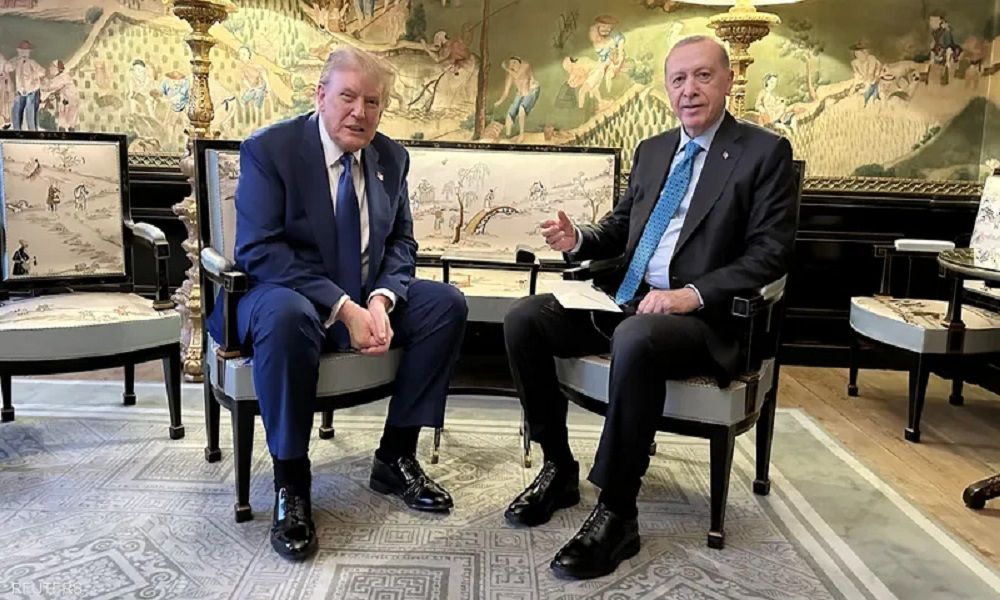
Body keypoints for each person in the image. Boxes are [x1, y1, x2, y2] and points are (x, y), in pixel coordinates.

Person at [502, 35, 796, 580]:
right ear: (666, 88)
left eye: (703, 76)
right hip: (629, 300)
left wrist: (691, 294)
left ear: (728, 81)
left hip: (705, 321)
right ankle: (558, 468)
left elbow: (770, 253)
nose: (689, 90)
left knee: (636, 336)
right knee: (525, 319)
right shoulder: (654, 149)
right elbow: (622, 228)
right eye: (678, 79)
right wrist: (578, 239)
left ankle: (618, 511)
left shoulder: (763, 153)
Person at [205, 46, 468, 563]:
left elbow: (401, 243)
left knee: (446, 305)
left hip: (364, 293)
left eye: (372, 102)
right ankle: (291, 482)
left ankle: (395, 456)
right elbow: (260, 250)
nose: (359, 112)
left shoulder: (391, 158)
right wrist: (345, 307)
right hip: (282, 295)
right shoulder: (271, 149)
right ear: (320, 95)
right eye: (348, 97)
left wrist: (381, 300)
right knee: (287, 316)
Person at [494, 56, 540, 141]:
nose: (513, 65)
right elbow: (506, 92)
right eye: (511, 63)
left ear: (520, 62)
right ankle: (508, 136)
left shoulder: (525, 66)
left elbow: (518, 75)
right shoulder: (511, 75)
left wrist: (506, 69)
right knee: (510, 114)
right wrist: (499, 101)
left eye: (515, 62)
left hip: (532, 91)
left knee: (522, 110)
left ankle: (521, 135)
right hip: (521, 93)